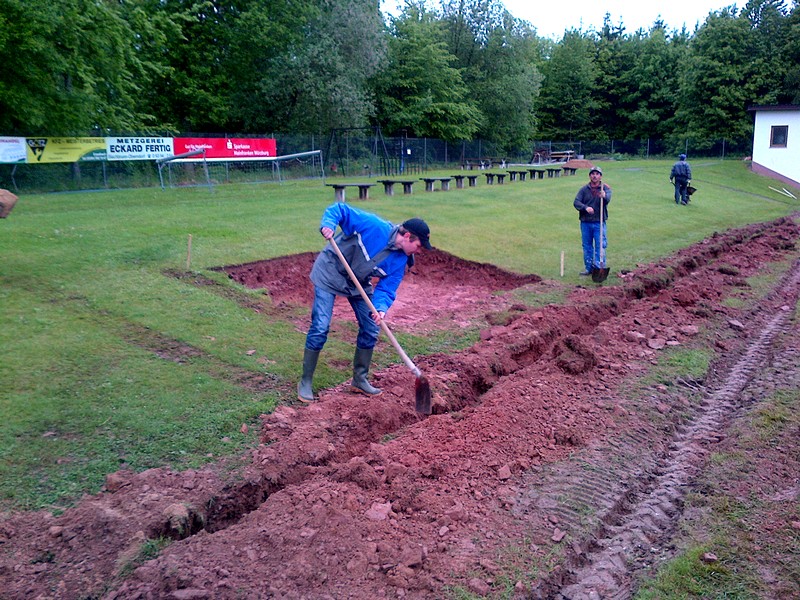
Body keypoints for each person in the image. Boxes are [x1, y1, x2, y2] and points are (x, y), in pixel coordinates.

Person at [298, 203, 432, 403]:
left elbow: (386, 289)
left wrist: (380, 309)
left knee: (371, 327)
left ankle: (359, 380)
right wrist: (328, 224)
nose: (418, 251)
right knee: (320, 326)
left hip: (357, 283)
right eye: (419, 245)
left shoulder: (401, 261)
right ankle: (306, 382)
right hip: (330, 272)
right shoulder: (373, 226)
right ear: (407, 236)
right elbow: (340, 210)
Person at [573, 166, 611, 276]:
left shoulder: (605, 188)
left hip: (599, 222)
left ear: (600, 176)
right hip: (585, 222)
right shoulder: (584, 189)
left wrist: (604, 196)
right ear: (590, 176)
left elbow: (608, 198)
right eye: (592, 174)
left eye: (597, 174)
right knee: (587, 246)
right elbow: (576, 202)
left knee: (600, 246)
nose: (595, 176)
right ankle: (588, 268)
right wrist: (585, 208)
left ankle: (599, 268)